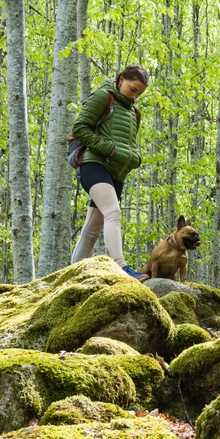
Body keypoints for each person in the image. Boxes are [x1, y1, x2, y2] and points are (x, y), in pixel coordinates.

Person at [70, 64, 149, 279]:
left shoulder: (134, 112)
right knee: (113, 213)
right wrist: (109, 149)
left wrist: (134, 158)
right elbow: (80, 128)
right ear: (121, 79)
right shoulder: (104, 97)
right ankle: (122, 267)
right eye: (132, 89)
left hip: (116, 173)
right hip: (94, 164)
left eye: (139, 93)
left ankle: (74, 277)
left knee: (92, 229)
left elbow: (129, 143)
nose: (135, 96)